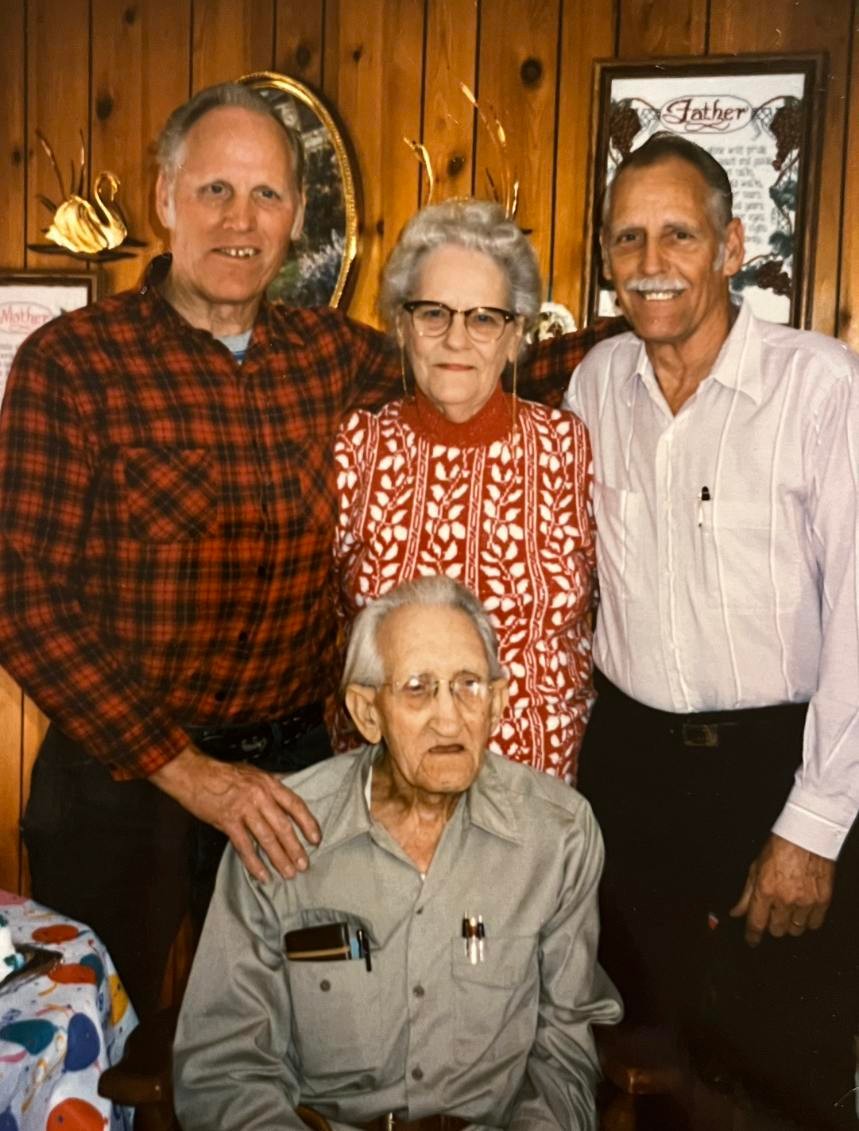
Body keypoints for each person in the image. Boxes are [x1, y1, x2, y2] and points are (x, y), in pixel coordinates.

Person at [0, 83, 620, 1017]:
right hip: (121, 782)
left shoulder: (331, 355)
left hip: (296, 778)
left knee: (303, 1030)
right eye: (214, 190)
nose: (239, 220)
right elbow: (20, 597)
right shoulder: (74, 363)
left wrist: (660, 330)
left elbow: (463, 362)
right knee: (98, 1036)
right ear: (165, 197)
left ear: (296, 217)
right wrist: (190, 773)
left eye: (266, 195)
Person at [563, 132, 859, 1128]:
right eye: (627, 238)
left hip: (778, 767)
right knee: (639, 1062)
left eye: (678, 235)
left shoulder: (820, 386)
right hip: (628, 771)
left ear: (731, 246)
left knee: (783, 1077)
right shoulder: (594, 383)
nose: (650, 262)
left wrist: (811, 828)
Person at [174, 575, 621, 1130]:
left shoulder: (557, 836)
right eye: (417, 688)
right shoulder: (280, 832)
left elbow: (564, 1057)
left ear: (498, 703)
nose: (449, 718)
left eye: (468, 686)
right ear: (367, 713)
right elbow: (225, 1068)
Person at [334, 200, 596, 783]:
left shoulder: (570, 448)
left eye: (483, 319)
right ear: (402, 326)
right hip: (390, 790)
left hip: (538, 796)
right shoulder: (358, 449)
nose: (456, 339)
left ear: (515, 335)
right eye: (433, 313)